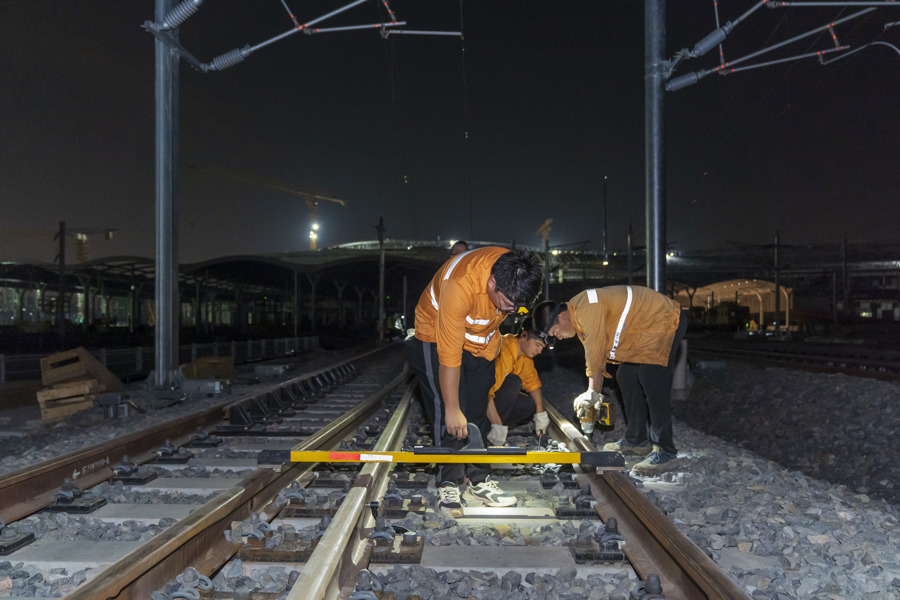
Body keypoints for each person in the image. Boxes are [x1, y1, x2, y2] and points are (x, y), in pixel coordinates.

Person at [406, 246, 543, 516]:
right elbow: (449, 357)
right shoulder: (459, 285)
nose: (512, 310)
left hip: (481, 340)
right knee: (448, 411)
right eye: (509, 303)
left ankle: (479, 481)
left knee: (478, 408)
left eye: (519, 306)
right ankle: (449, 482)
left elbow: (507, 304)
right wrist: (453, 408)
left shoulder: (514, 271)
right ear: (492, 282)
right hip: (435, 334)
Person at [532, 286, 687, 475]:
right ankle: (637, 440)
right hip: (644, 329)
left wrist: (592, 393)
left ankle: (666, 451)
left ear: (562, 318)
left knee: (651, 376)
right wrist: (593, 391)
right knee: (626, 375)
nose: (560, 338)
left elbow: (595, 354)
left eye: (556, 333)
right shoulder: (579, 311)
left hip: (663, 319)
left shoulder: (586, 309)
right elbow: (597, 350)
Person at [485, 317, 551, 446]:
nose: (539, 351)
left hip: (488, 400)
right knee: (513, 382)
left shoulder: (523, 356)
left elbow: (532, 384)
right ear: (524, 335)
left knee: (528, 404)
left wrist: (540, 413)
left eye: (542, 348)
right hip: (476, 400)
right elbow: (485, 392)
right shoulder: (501, 350)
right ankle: (485, 429)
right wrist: (497, 425)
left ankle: (491, 428)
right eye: (538, 345)